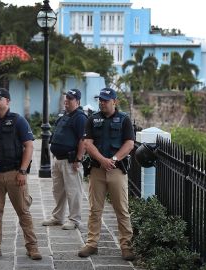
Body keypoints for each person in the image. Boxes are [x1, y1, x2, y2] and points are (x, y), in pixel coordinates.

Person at [0, 88, 42, 261]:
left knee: (23, 212)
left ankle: (32, 247)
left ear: (7, 101)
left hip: (15, 174)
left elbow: (29, 146)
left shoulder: (18, 121)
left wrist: (23, 171)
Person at [78, 88, 136, 261]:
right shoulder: (92, 119)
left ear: (114, 101)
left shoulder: (124, 120)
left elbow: (130, 143)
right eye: (100, 100)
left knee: (122, 209)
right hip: (97, 170)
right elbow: (88, 143)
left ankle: (126, 246)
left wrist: (114, 159)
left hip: (117, 170)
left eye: (105, 100)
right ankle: (91, 244)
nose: (102, 102)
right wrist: (102, 160)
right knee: (95, 209)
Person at [42, 89, 87, 230]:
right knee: (58, 191)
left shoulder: (80, 117)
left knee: (73, 192)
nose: (67, 100)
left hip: (71, 161)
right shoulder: (64, 115)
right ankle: (57, 217)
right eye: (66, 98)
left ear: (78, 102)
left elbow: (83, 139)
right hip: (58, 160)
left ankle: (74, 220)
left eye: (70, 99)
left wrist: (78, 159)